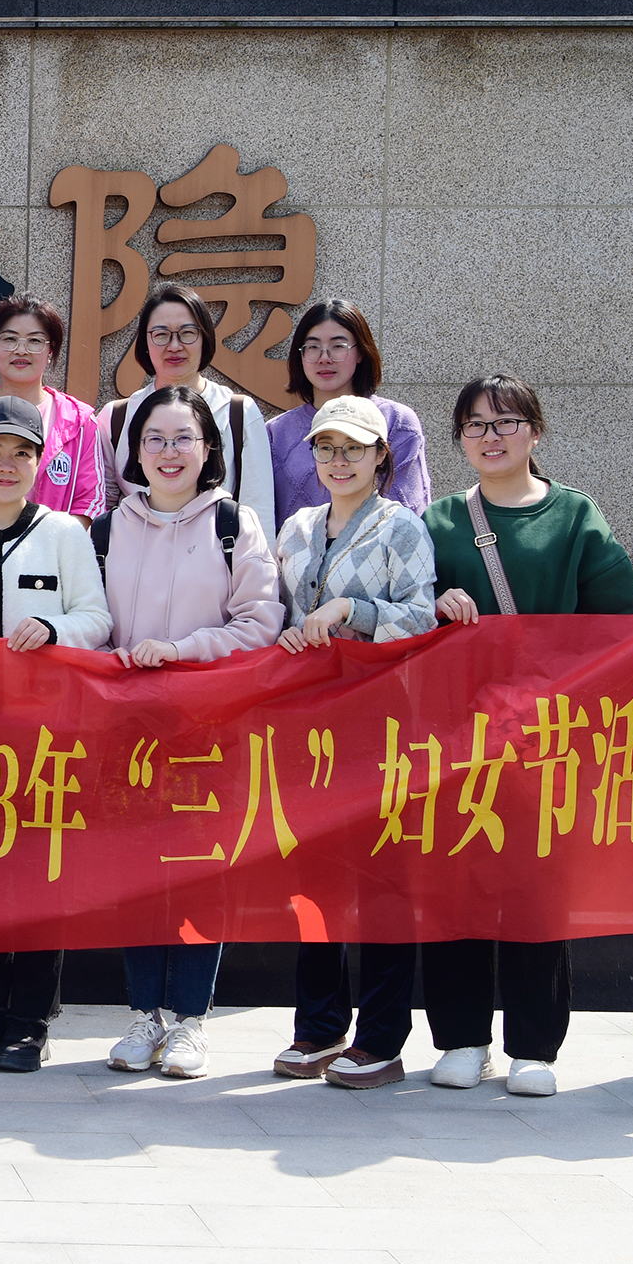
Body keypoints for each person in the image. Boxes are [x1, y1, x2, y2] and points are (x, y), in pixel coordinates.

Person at [423, 373, 633, 1098]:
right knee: (455, 884)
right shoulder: (439, 521)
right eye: (476, 425)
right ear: (460, 439)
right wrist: (434, 601)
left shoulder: (575, 516)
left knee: (537, 891)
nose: (491, 436)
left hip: (548, 740)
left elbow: (618, 626)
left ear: (535, 431)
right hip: (455, 742)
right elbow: (401, 608)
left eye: (506, 422)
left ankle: (533, 1045)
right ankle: (461, 1038)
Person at [95, 385, 282, 1081]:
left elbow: (260, 623)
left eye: (183, 438)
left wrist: (182, 651)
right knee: (135, 874)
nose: (168, 452)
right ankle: (144, 1012)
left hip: (210, 729)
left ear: (209, 449)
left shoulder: (236, 524)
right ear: (134, 451)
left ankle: (190, 1020)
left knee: (202, 871)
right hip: (128, 732)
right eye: (154, 438)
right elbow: (92, 622)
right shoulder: (106, 530)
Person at [0, 395, 111, 1076]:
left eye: (22, 453)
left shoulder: (64, 534)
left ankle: (31, 1020)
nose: (6, 465)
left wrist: (56, 629)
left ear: (41, 463)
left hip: (46, 739)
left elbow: (97, 618)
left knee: (39, 877)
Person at [267, 395, 438, 1090]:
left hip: (381, 725)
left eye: (354, 449)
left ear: (380, 457)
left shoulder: (402, 527)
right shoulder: (297, 527)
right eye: (327, 448)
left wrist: (353, 610)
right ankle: (318, 1024)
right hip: (309, 726)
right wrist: (287, 633)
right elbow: (281, 612)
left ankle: (382, 1038)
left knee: (382, 881)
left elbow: (421, 620)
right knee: (311, 879)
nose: (339, 461)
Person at [100, 286, 276, 536]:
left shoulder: (238, 412)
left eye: (187, 333)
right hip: (136, 553)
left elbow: (258, 512)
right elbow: (102, 506)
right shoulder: (116, 417)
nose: (174, 346)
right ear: (145, 342)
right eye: (161, 335)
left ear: (205, 338)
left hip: (215, 553)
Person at [0, 297, 108, 529]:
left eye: (35, 340)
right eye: (10, 339)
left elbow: (90, 504)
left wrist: (45, 545)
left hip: (54, 551)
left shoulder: (79, 421)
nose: (21, 350)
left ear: (51, 350)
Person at [266, 299, 429, 525]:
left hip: (380, 547)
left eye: (338, 346)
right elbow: (264, 519)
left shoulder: (396, 421)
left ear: (361, 352)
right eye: (313, 347)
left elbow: (409, 516)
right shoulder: (275, 432)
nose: (324, 358)